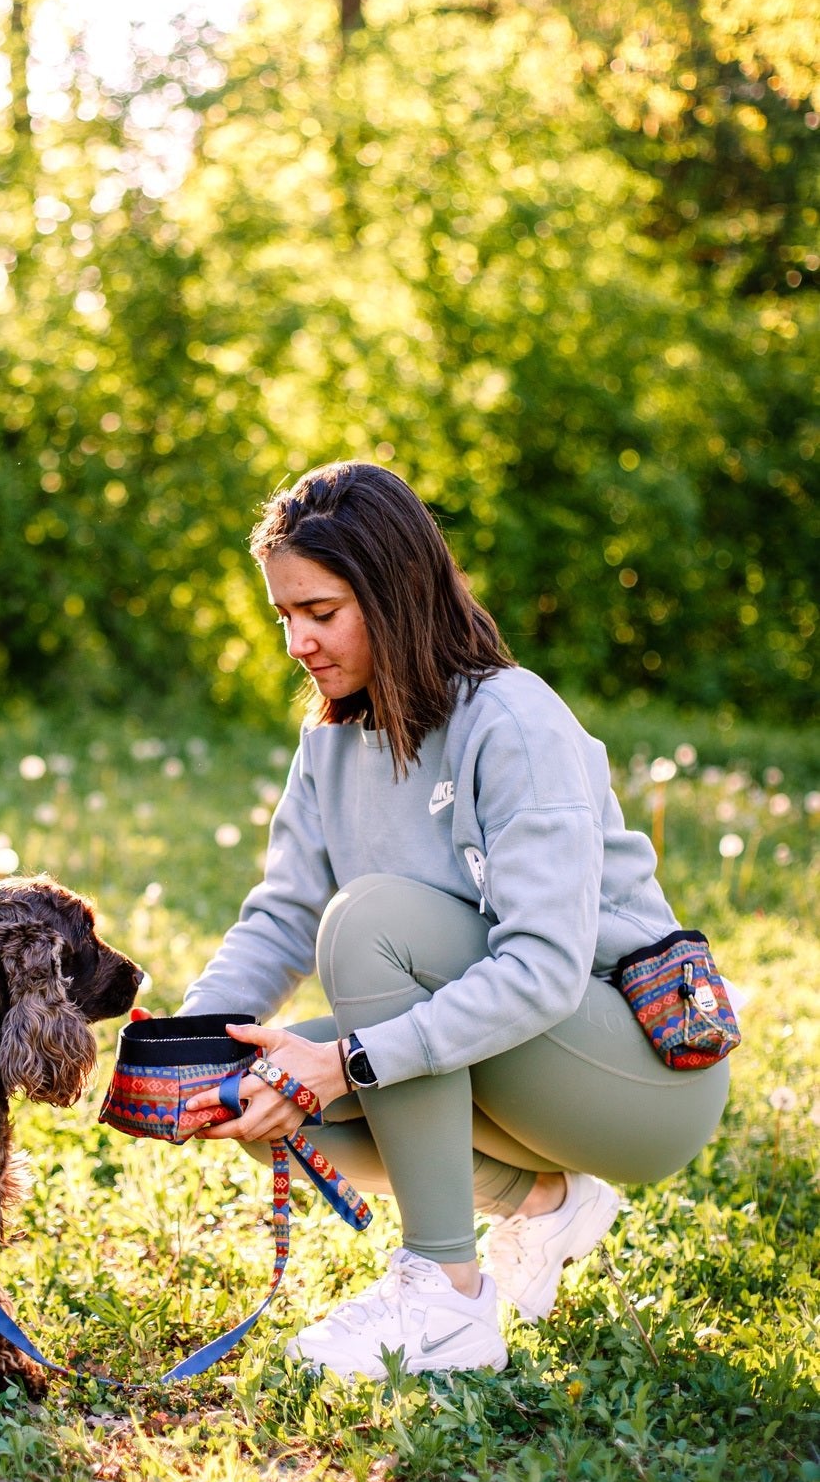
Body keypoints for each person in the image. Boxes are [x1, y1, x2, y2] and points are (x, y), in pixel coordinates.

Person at [181, 461, 730, 1380]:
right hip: (520, 1071)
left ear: (392, 594)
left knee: (371, 928)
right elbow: (280, 915)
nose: (297, 643)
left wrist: (347, 1061)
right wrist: (188, 1046)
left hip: (634, 1071)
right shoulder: (329, 744)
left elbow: (545, 971)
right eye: (284, 617)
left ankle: (447, 1298)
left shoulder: (513, 722)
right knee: (257, 1079)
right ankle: (545, 1202)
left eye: (320, 612)